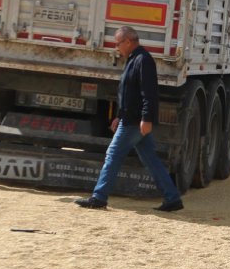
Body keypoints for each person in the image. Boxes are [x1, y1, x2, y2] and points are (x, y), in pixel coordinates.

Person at [76, 26, 184, 212]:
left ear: (128, 41)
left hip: (134, 122)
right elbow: (128, 94)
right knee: (150, 158)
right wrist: (119, 115)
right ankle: (172, 198)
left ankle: (99, 197)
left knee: (113, 155)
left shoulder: (143, 60)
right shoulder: (134, 60)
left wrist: (146, 118)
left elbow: (148, 93)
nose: (116, 48)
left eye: (118, 43)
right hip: (131, 119)